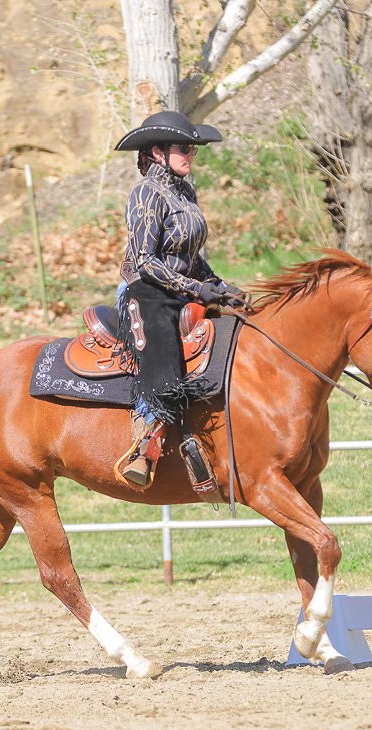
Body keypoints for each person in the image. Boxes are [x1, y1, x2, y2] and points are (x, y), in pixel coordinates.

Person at [112, 110, 247, 487]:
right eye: (183, 148)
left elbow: (190, 255)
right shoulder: (145, 194)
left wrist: (217, 285)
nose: (191, 154)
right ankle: (144, 445)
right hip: (147, 292)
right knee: (164, 362)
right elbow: (145, 261)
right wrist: (197, 289)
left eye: (193, 149)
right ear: (158, 152)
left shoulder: (185, 191)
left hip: (181, 288)